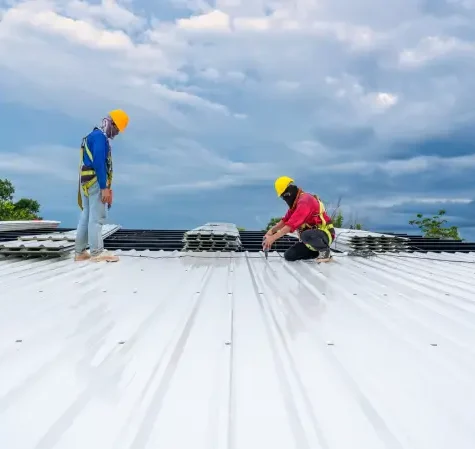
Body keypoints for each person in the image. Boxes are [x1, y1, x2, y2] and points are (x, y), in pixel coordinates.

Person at [74, 109, 129, 262]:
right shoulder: (99, 138)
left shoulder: (91, 136)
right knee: (97, 218)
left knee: (86, 216)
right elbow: (99, 162)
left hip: (86, 182)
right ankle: (97, 252)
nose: (116, 133)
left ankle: (80, 252)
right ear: (111, 123)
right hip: (96, 182)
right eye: (117, 129)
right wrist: (104, 187)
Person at [262, 176, 334, 263]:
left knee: (305, 234)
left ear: (288, 194)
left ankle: (325, 251)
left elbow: (290, 226)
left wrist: (272, 238)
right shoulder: (295, 204)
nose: (284, 199)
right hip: (310, 239)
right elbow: (285, 221)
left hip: (324, 234)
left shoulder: (305, 201)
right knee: (289, 255)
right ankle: (317, 252)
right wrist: (271, 231)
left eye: (283, 196)